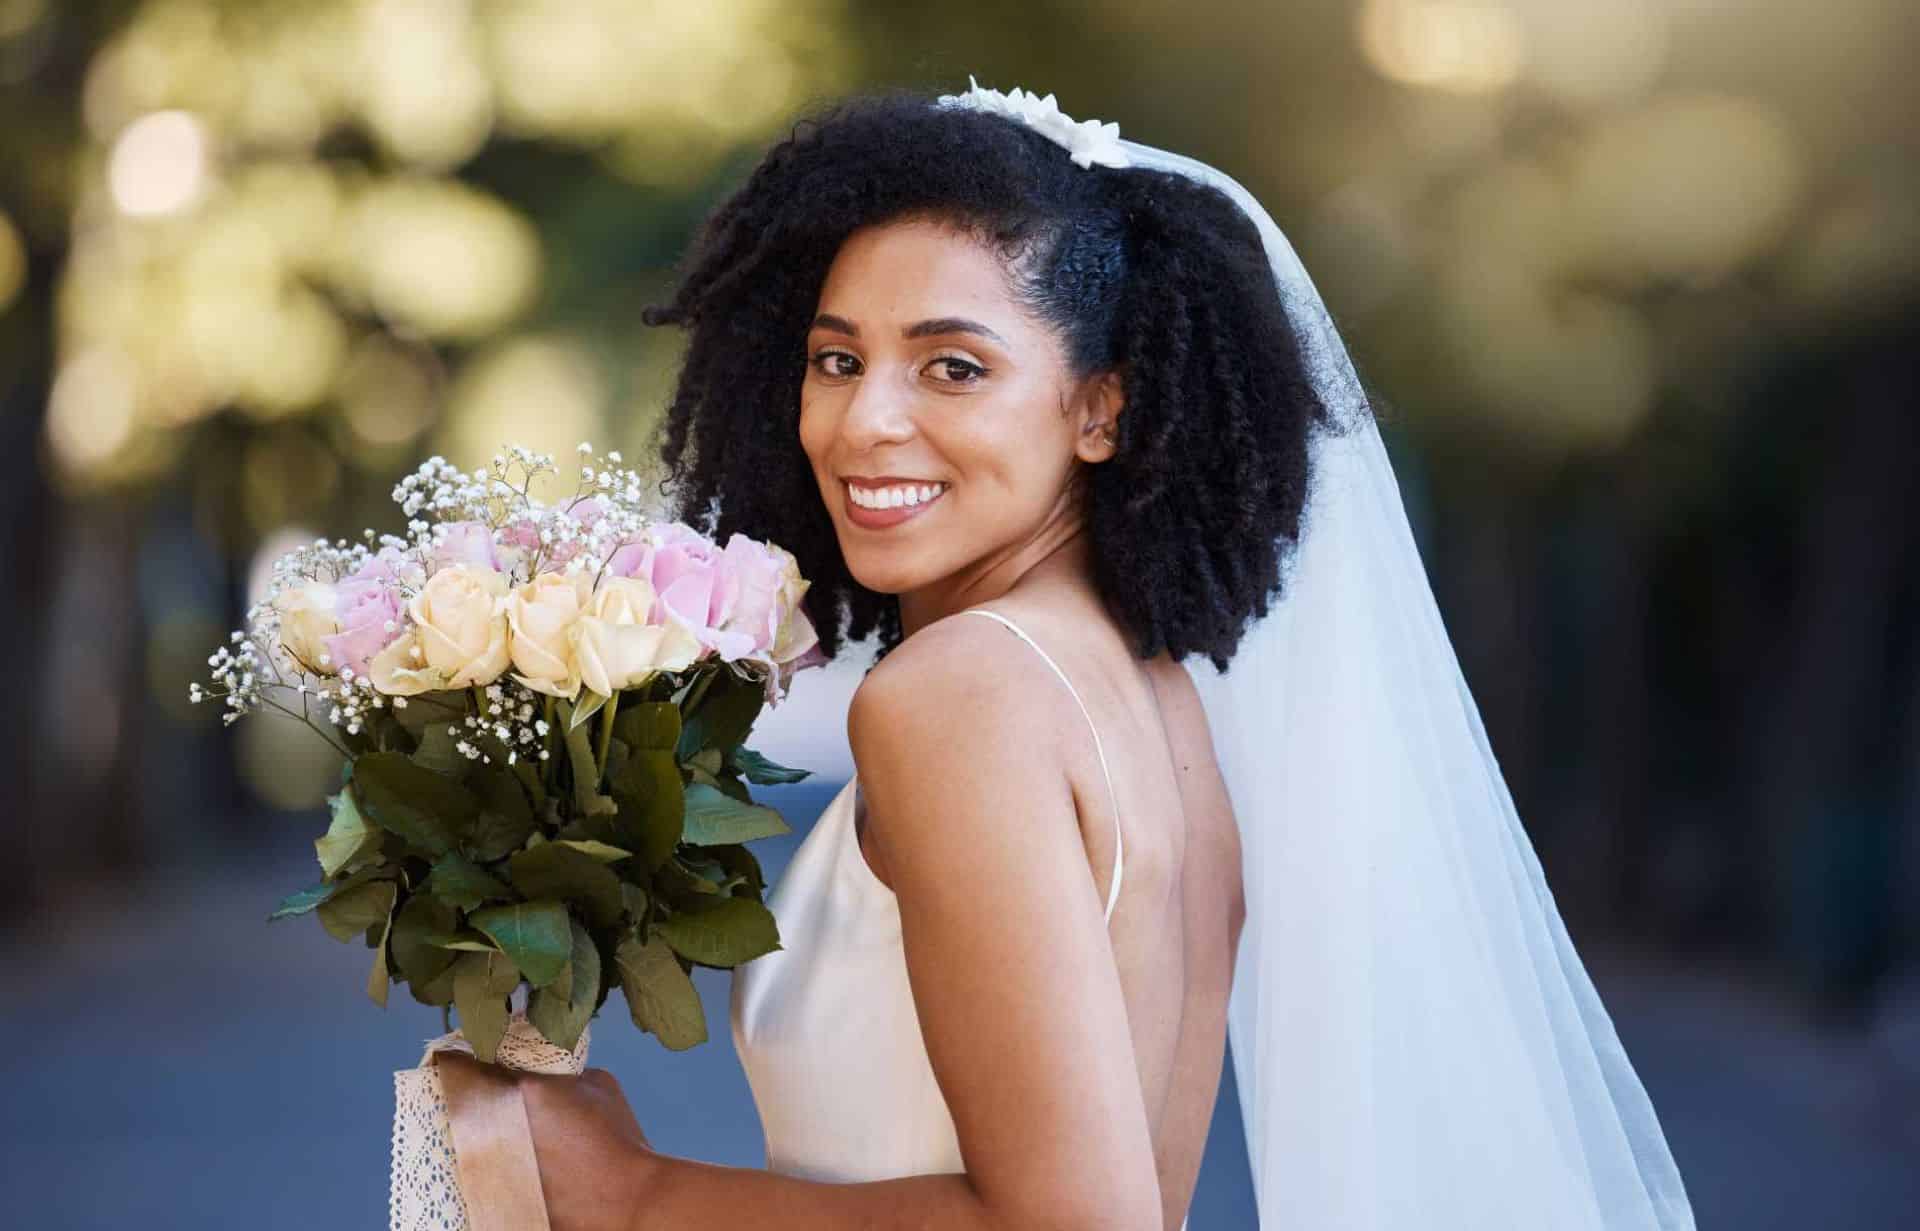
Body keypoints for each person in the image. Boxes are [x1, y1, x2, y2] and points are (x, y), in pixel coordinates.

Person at [511, 81, 1697, 1231]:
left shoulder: (957, 697)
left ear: (1100, 411)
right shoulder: (1157, 698)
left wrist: (634, 1198)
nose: (865, 419)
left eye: (953, 366)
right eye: (836, 359)